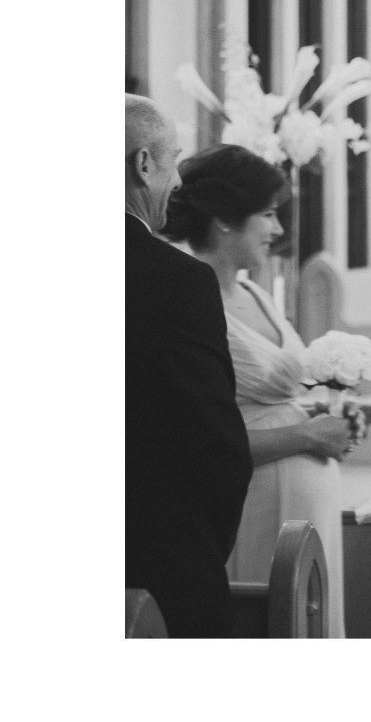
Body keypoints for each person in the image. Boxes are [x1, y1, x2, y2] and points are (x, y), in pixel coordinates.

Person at [161, 143, 358, 637]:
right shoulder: (187, 296)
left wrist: (321, 417)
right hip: (253, 496)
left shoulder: (254, 292)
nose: (278, 230)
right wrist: (308, 437)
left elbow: (269, 395)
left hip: (307, 501)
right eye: (268, 215)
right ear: (226, 220)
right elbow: (199, 434)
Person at [125, 95, 252, 637]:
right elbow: (216, 447)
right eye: (173, 159)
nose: (178, 181)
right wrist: (198, 557)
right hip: (158, 560)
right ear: (144, 164)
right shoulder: (177, 282)